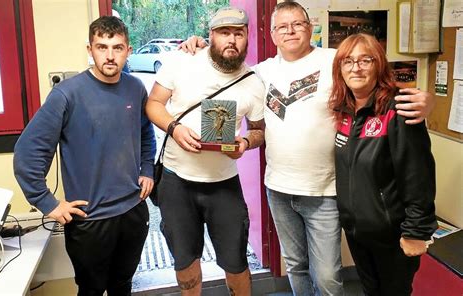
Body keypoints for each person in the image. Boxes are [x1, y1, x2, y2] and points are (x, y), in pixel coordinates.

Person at [181, 1, 435, 295]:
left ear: (310, 28)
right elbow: (222, 68)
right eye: (282, 26)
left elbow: (375, 77)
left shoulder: (334, 60)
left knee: (328, 276)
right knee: (295, 266)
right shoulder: (258, 73)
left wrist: (425, 100)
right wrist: (199, 46)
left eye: (297, 24)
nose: (290, 31)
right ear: (272, 34)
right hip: (278, 188)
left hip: (324, 191)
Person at [13, 16, 156, 296]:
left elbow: (146, 134)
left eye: (118, 47)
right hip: (90, 221)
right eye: (102, 47)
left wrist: (147, 169)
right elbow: (27, 154)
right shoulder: (66, 94)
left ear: (128, 50)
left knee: (123, 285)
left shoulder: (135, 88)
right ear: (89, 50)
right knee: (91, 290)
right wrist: (47, 202)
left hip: (132, 212)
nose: (110, 55)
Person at [145, 7, 265, 296]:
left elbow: (259, 130)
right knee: (185, 259)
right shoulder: (182, 61)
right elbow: (153, 104)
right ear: (211, 35)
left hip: (224, 184)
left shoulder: (253, 83)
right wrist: (175, 128)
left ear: (248, 36)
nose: (232, 40)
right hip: (177, 182)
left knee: (236, 262)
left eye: (239, 33)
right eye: (224, 33)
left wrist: (246, 143)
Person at [329, 33, 437, 295]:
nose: (356, 68)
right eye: (348, 61)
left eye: (365, 60)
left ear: (379, 65)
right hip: (357, 230)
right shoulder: (344, 111)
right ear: (340, 69)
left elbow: (418, 173)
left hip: (393, 234)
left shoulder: (399, 108)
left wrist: (416, 231)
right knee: (370, 290)